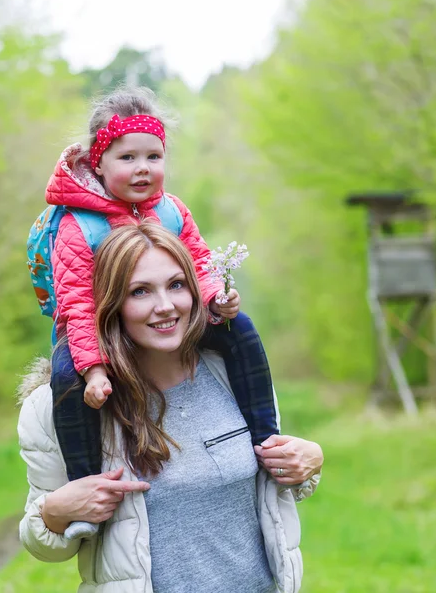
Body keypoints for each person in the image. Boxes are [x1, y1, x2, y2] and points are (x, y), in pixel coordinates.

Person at [18, 223, 324, 593]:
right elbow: (44, 545)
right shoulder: (64, 405)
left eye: (176, 285)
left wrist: (308, 461)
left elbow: (273, 486)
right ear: (110, 303)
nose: (165, 306)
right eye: (140, 291)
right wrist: (56, 511)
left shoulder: (233, 373)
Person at [44, 86, 279, 484]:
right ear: (99, 164)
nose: (142, 168)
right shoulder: (79, 226)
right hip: (96, 331)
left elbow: (200, 263)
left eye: (153, 157)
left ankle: (266, 438)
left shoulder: (170, 211)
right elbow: (78, 304)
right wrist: (95, 370)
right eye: (128, 157)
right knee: (66, 376)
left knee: (240, 330)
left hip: (164, 318)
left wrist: (216, 298)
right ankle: (84, 480)